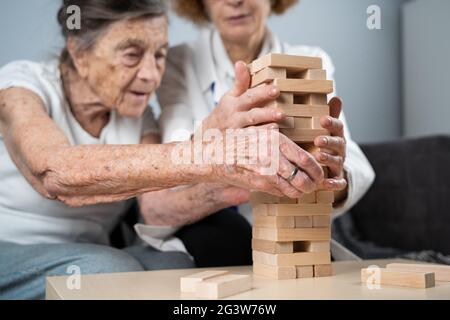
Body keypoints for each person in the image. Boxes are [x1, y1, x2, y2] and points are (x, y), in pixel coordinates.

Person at [0, 0, 324, 299]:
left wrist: (244, 179)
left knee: (172, 267)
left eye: (159, 55)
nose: (152, 75)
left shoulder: (141, 118)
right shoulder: (22, 85)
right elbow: (54, 173)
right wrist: (216, 153)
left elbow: (156, 208)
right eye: (131, 55)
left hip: (86, 251)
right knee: (108, 270)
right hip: (11, 250)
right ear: (79, 53)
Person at [147, 0, 375, 264]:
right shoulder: (179, 62)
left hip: (291, 221)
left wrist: (328, 175)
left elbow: (352, 164)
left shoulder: (310, 60)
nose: (235, 2)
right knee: (220, 238)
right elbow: (172, 163)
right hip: (210, 226)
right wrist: (217, 133)